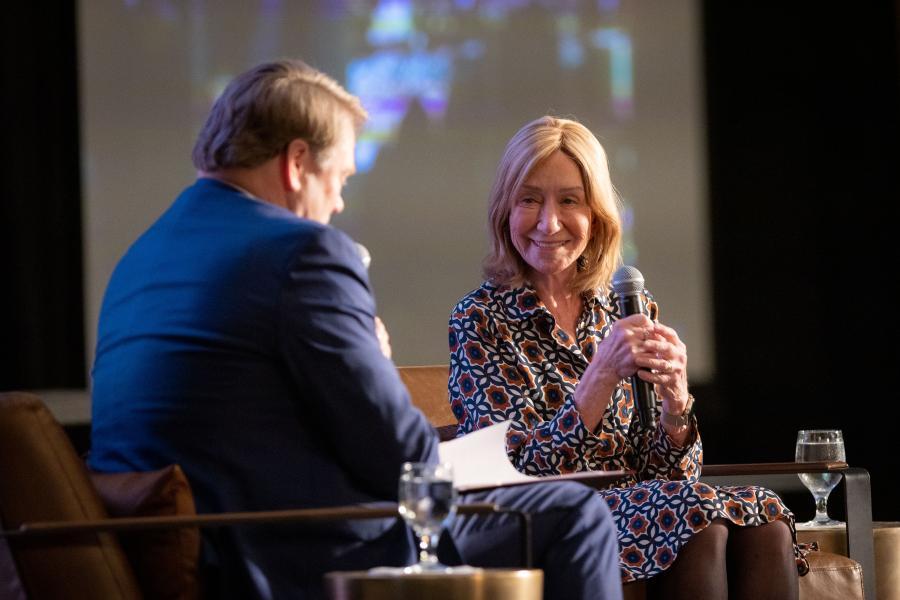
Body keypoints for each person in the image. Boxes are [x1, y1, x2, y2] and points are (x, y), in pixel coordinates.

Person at [88, 61, 622, 600]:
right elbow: (403, 456)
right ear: (298, 162)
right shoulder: (303, 252)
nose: (340, 203)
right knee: (576, 512)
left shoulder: (138, 259)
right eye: (340, 177)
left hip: (177, 550)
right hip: (283, 555)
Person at [448, 116, 804, 599]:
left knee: (765, 518)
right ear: (505, 210)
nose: (549, 222)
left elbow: (670, 477)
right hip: (549, 522)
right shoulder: (479, 319)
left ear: (595, 215)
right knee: (697, 517)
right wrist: (598, 377)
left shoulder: (623, 309)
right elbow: (512, 475)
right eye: (530, 199)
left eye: (569, 201)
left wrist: (677, 405)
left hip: (643, 509)